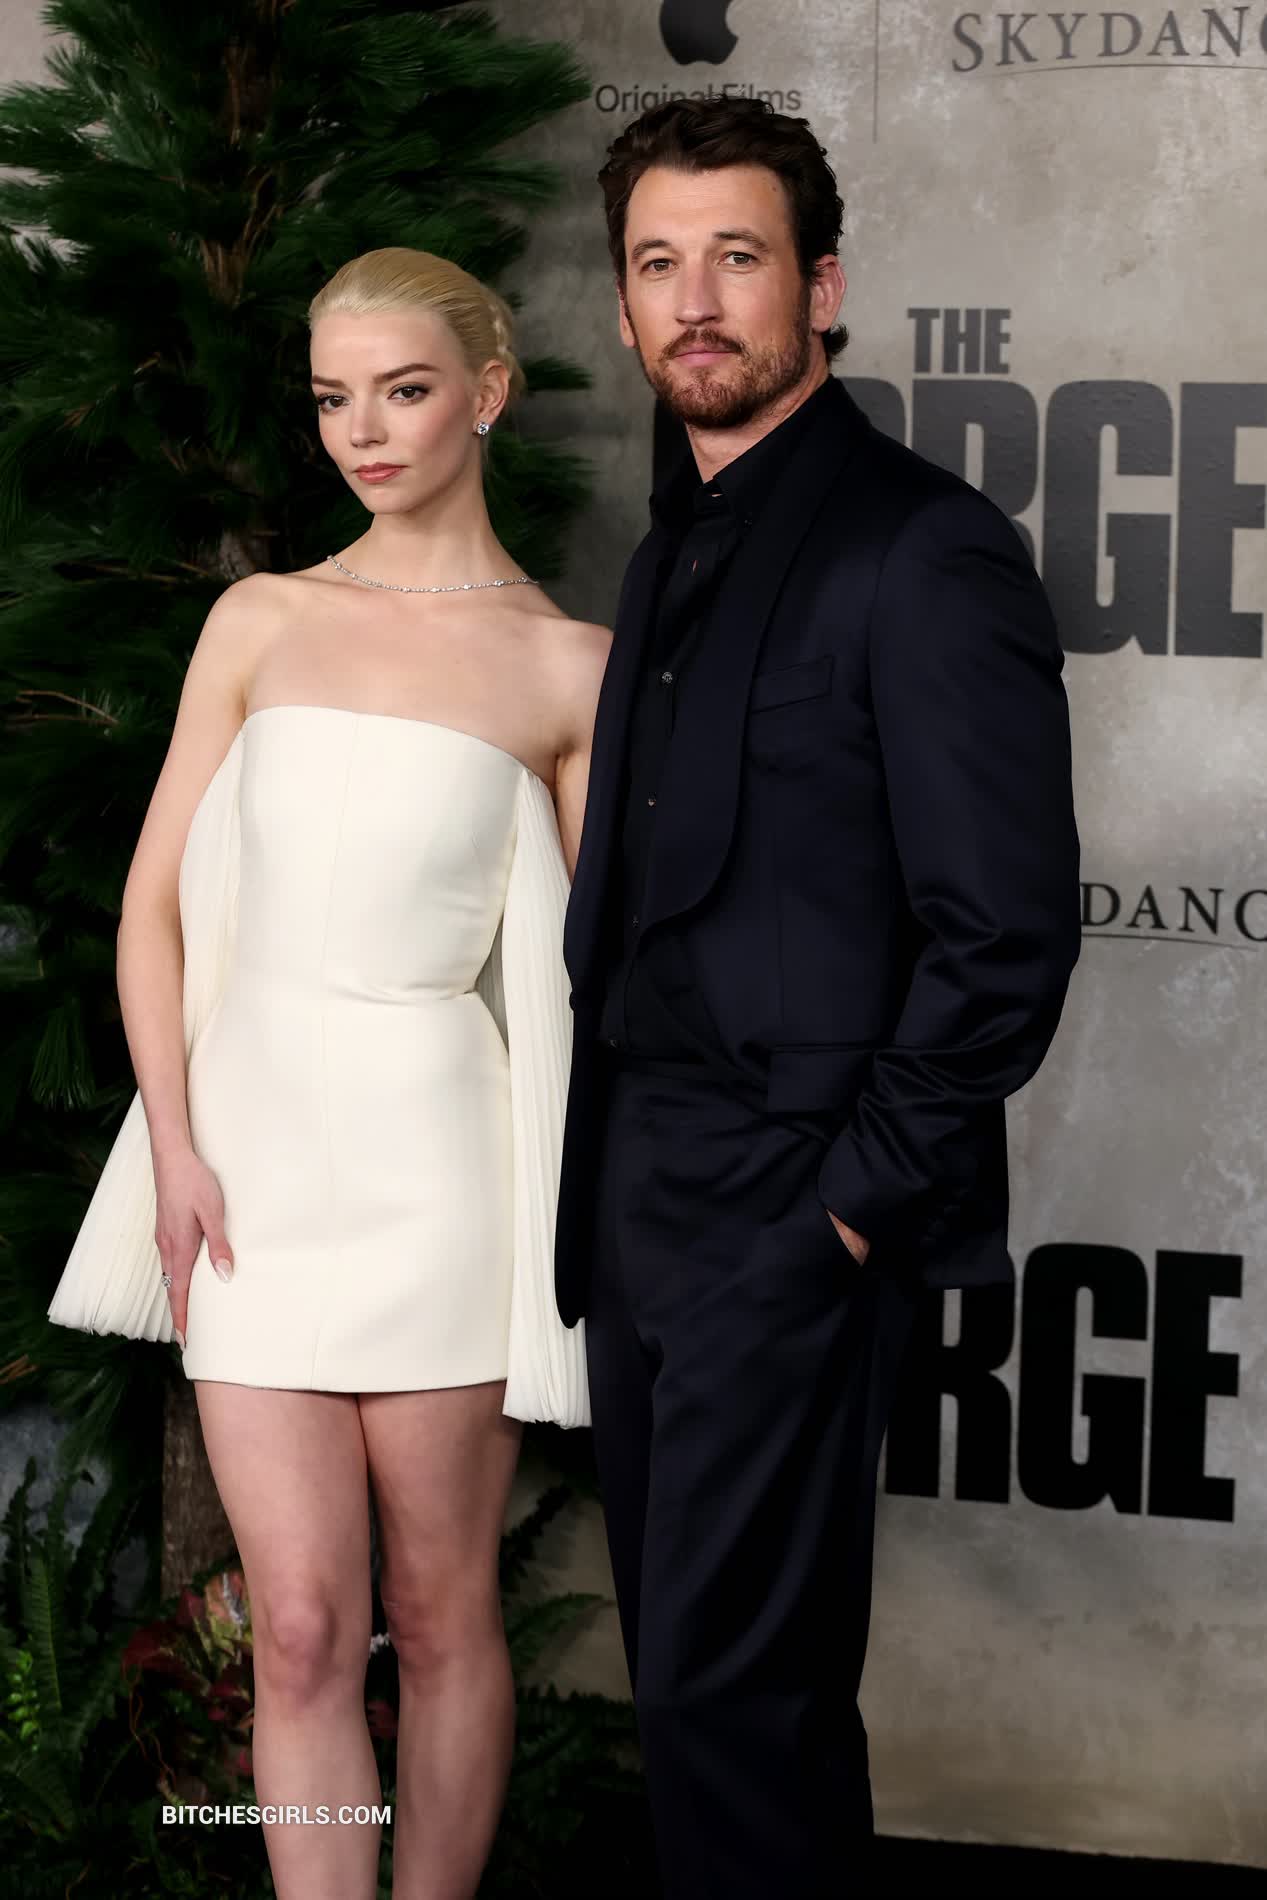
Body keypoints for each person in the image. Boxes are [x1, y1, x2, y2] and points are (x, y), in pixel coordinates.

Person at [553, 97, 1082, 1898]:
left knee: (740, 1708)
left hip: (789, 1208)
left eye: (738, 257)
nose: (696, 302)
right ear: (626, 305)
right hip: (637, 1198)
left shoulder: (921, 548)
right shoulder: (663, 551)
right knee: (700, 1703)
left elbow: (1004, 936)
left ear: (823, 287)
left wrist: (843, 1215)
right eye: (658, 264)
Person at [48, 247, 606, 1900]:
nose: (363, 429)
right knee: (296, 1624)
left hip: (446, 1175)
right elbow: (152, 908)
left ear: (487, 394)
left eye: (404, 390)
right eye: (332, 398)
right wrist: (175, 1146)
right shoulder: (262, 619)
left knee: (437, 1615)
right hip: (250, 1170)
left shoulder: (568, 665)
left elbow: (612, 978)